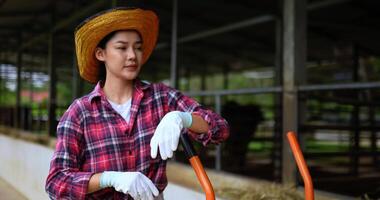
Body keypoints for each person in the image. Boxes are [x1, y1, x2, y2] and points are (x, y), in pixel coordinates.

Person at [45, 7, 229, 200]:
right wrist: (108, 178)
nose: (132, 55)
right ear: (101, 54)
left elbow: (220, 129)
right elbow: (56, 183)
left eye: (138, 47)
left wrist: (183, 118)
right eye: (122, 48)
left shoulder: (161, 98)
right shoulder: (80, 113)